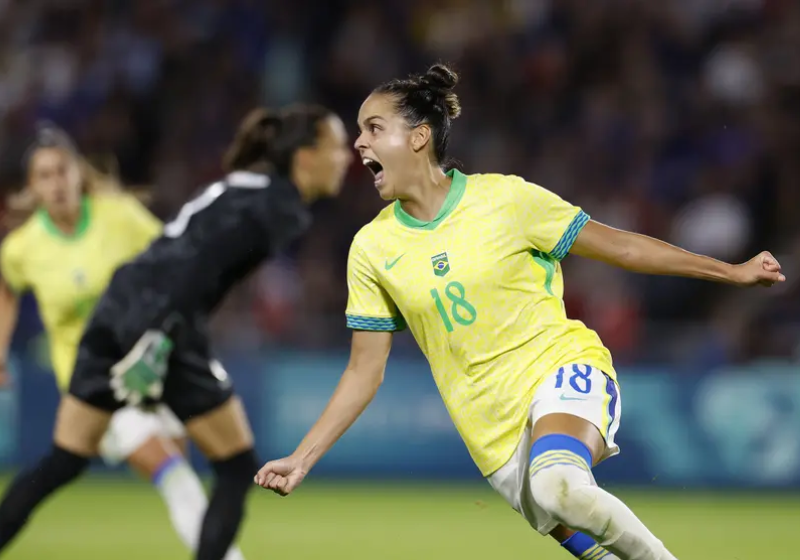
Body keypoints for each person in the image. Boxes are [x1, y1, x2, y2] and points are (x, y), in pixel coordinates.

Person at [254, 64, 785, 560]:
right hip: (494, 440)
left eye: (373, 128)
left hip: (562, 370)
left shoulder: (506, 200)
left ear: (417, 137)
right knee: (582, 528)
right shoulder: (372, 248)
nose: (360, 142)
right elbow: (363, 370)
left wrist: (731, 272)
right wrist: (303, 457)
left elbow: (620, 247)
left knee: (558, 483)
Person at [0, 104, 353, 560]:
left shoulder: (246, 185)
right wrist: (159, 337)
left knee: (64, 461)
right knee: (234, 465)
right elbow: (199, 268)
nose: (348, 156)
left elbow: (172, 249)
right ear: (305, 157)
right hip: (161, 319)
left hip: (115, 310)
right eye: (338, 147)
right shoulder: (278, 206)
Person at [0, 124, 244, 560]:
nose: (56, 183)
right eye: (44, 176)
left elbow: (172, 258)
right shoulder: (23, 248)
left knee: (181, 467)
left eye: (62, 171)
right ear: (32, 187)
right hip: (95, 385)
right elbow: (6, 288)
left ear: (78, 173)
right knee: (168, 469)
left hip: (154, 364)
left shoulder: (119, 216)